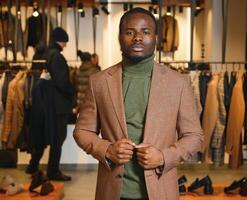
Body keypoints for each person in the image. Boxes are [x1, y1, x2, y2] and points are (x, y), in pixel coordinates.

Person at [73, 7, 204, 200]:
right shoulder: (99, 82)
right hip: (113, 192)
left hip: (160, 191)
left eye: (145, 31)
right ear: (120, 38)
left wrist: (163, 157)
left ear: (156, 37)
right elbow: (82, 131)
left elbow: (195, 136)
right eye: (130, 32)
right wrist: (107, 149)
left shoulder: (178, 83)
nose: (137, 38)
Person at [26, 27, 74, 181]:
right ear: (59, 40)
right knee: (57, 139)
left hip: (42, 104)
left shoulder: (41, 54)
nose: (65, 45)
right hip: (57, 106)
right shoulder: (57, 57)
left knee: (41, 135)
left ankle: (32, 166)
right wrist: (71, 91)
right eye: (64, 41)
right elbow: (62, 82)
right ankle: (53, 171)